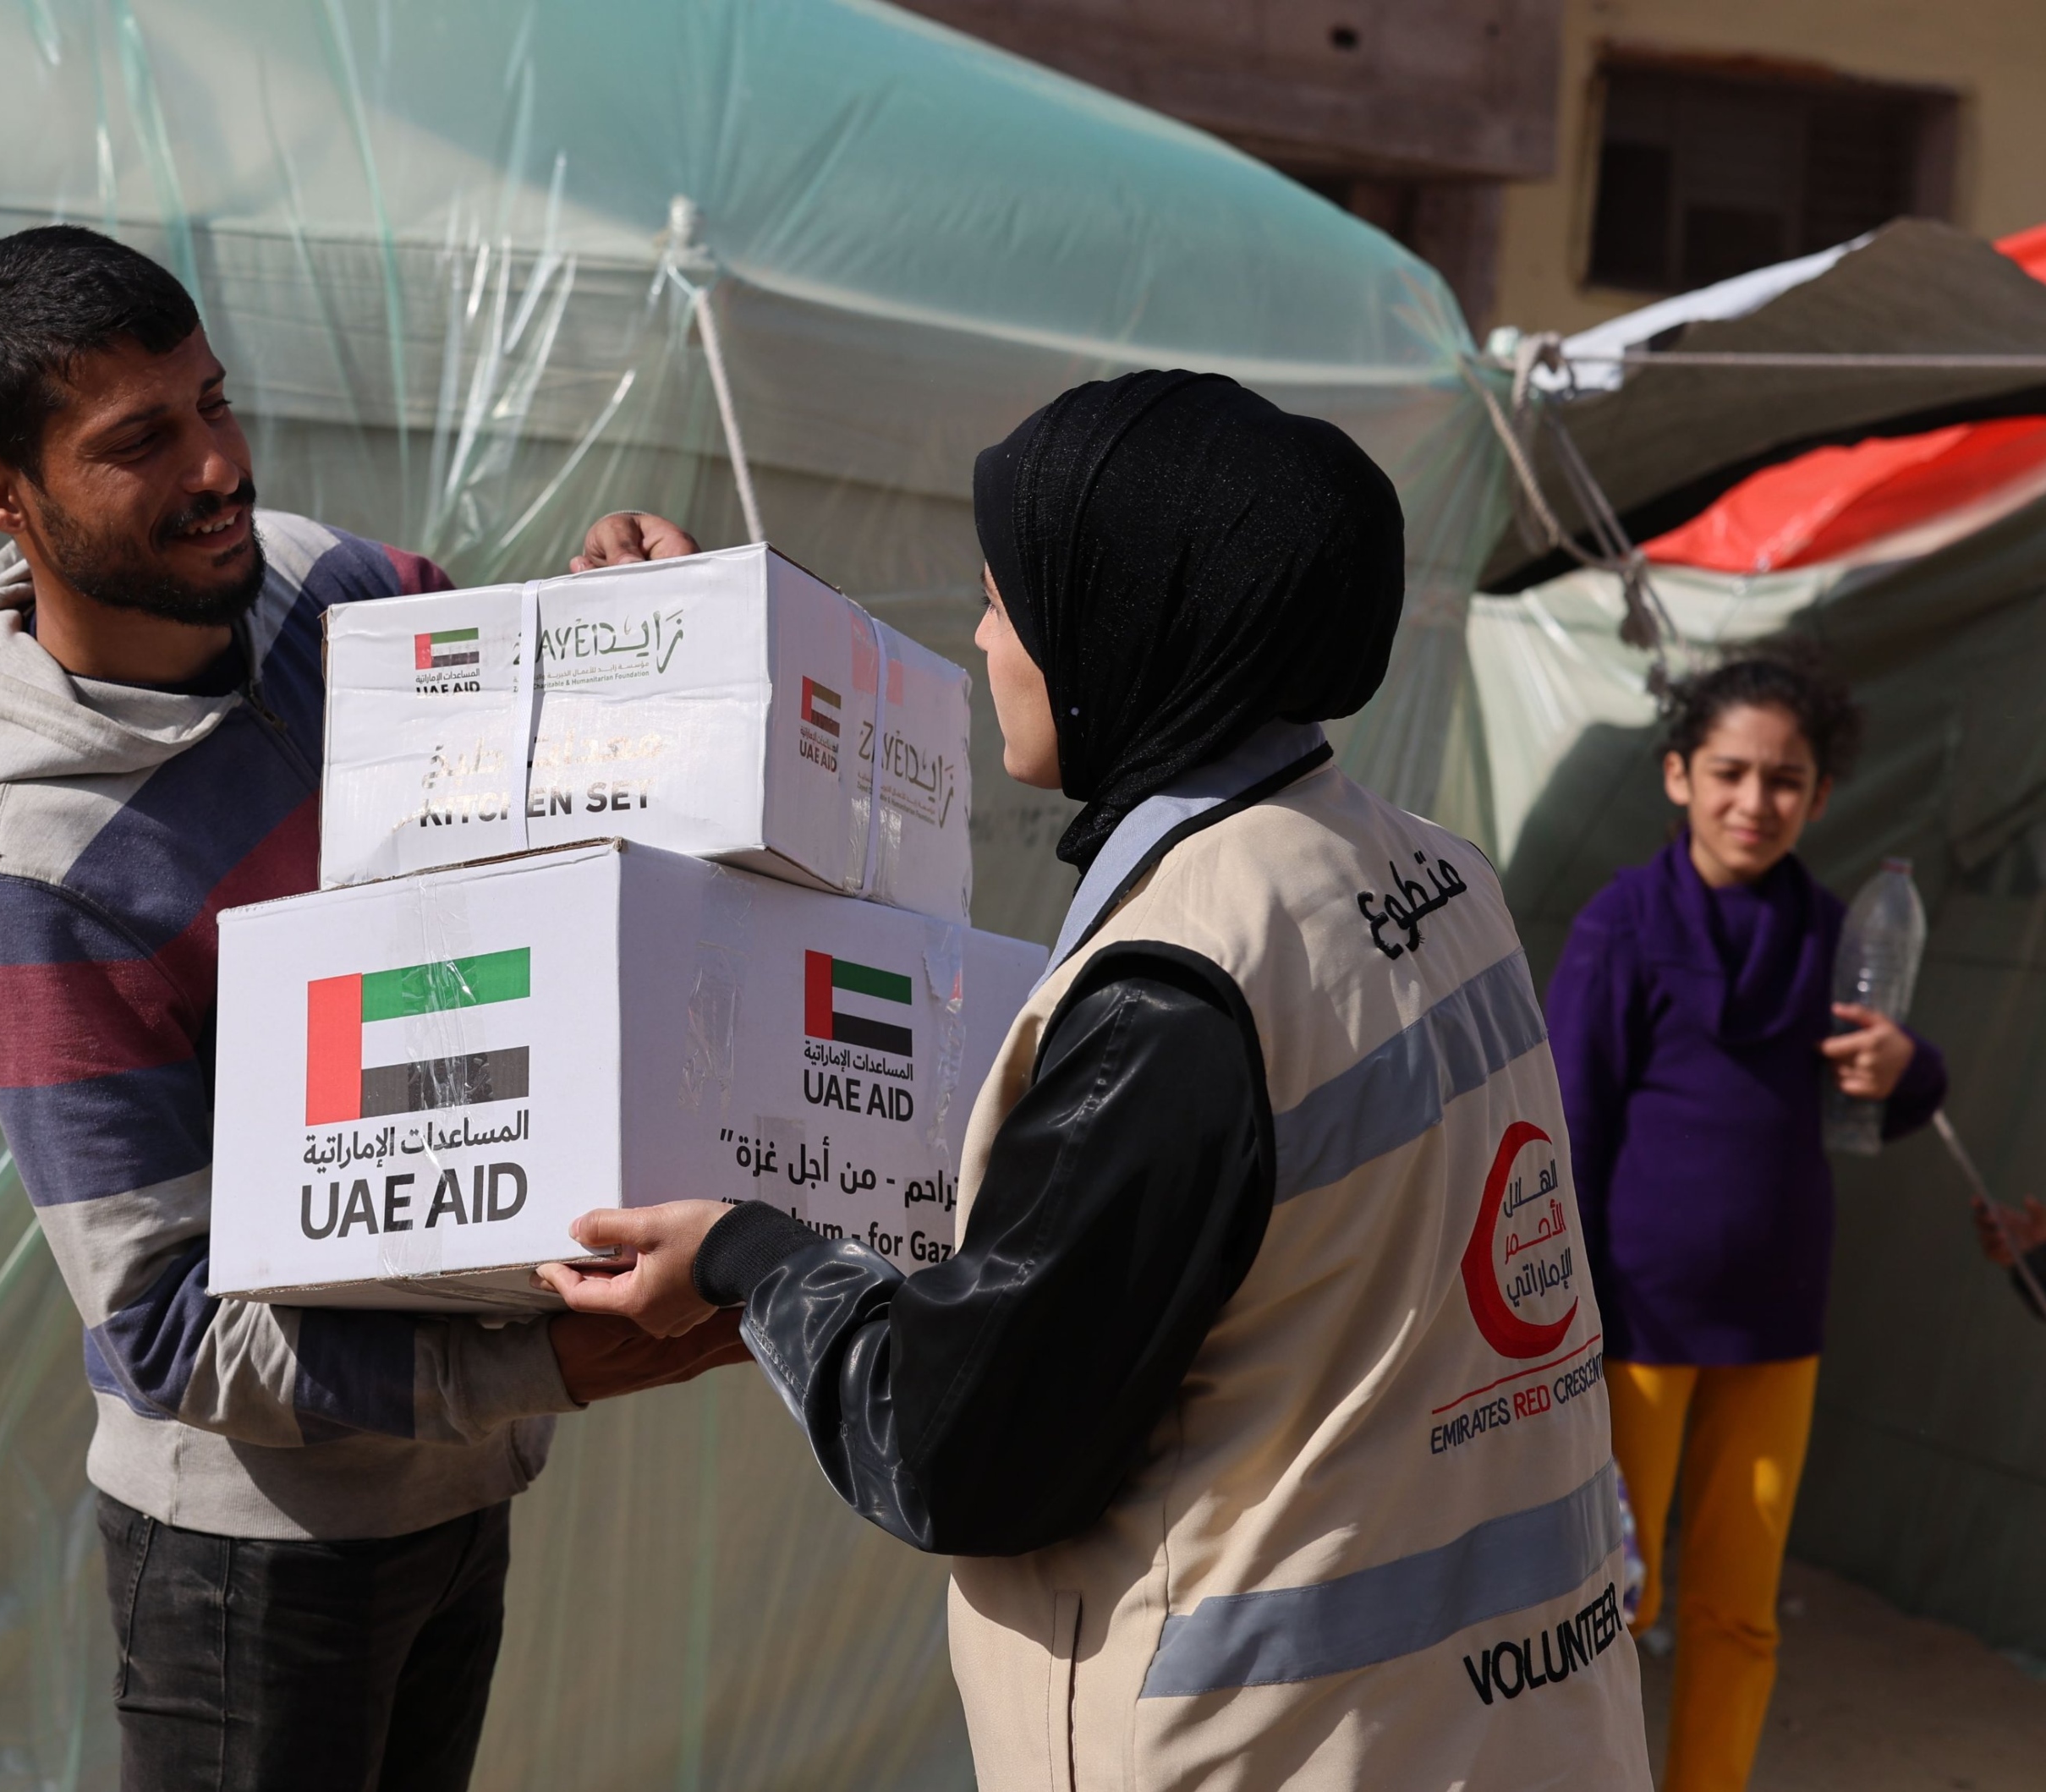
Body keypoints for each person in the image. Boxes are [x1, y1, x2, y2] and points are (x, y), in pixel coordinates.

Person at [543, 370, 1650, 1788]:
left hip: (1273, 1751)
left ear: (1118, 623)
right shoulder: (1434, 873)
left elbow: (951, 1449)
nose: (985, 641)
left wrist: (746, 1259)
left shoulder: (1179, 990)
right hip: (1512, 1726)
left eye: (1006, 601)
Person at [0, 227, 744, 1792]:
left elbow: (516, 771)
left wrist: (616, 622)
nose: (217, 468)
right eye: (141, 442)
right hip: (254, 1566)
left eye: (213, 403)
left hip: (459, 1491)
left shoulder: (325, 590)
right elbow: (166, 1328)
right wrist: (547, 1369)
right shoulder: (32, 874)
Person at [1539, 652, 1945, 1791]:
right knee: (1607, 1603)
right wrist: (1564, 1322)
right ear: (1678, 775)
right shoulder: (1620, 927)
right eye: (1729, 772)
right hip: (1633, 1329)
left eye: (1784, 779)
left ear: (1821, 795)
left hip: (1777, 1328)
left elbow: (1894, 1091)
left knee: (1739, 1613)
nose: (1754, 801)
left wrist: (1907, 1066)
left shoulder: (1835, 937)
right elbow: (1566, 1132)